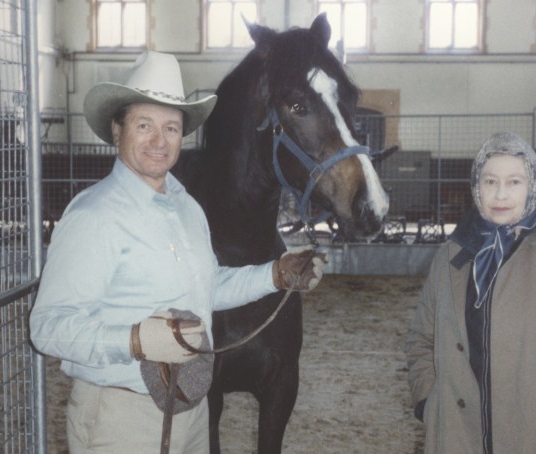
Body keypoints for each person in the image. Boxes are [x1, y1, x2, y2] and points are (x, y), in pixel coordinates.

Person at [30, 51, 326, 454]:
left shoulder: (186, 206)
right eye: (144, 125)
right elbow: (47, 328)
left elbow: (208, 286)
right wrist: (135, 340)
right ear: (118, 130)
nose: (159, 140)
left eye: (171, 127)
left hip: (192, 410)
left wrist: (275, 273)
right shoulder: (93, 215)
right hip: (122, 418)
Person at [405, 132, 536, 453]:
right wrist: (429, 401)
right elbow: (421, 338)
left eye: (515, 182)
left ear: (532, 185)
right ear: (476, 187)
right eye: (490, 181)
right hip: (457, 435)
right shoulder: (451, 255)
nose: (501, 194)